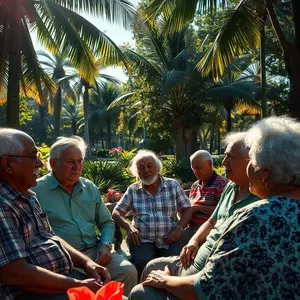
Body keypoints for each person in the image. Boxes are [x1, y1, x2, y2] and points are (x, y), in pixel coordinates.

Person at [128, 131, 260, 299]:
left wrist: (167, 279)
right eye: (193, 168)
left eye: (230, 157)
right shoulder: (230, 187)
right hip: (191, 255)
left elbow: (214, 278)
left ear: (252, 161)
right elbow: (212, 222)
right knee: (150, 265)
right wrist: (194, 242)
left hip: (203, 272)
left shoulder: (258, 204)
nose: (224, 162)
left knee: (139, 292)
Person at [0, 129, 110, 300]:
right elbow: (16, 274)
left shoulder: (27, 195)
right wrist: (79, 285)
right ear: (7, 164)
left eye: (79, 161)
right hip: (28, 293)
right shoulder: (3, 205)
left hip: (63, 276)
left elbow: (51, 237)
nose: (39, 163)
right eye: (32, 156)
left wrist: (86, 262)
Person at [33, 136, 137, 296]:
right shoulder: (36, 191)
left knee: (127, 271)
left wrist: (105, 245)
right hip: (65, 259)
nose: (77, 167)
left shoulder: (89, 187)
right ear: (53, 164)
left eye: (79, 161)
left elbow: (106, 222)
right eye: (70, 162)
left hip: (95, 251)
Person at [112, 150, 192, 279]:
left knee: (173, 263)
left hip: (170, 238)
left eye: (150, 166)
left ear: (158, 168)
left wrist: (179, 228)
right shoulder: (133, 190)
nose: (146, 170)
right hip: (142, 240)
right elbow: (116, 212)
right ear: (137, 173)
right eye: (141, 168)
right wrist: (129, 228)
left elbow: (187, 209)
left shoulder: (173, 185)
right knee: (144, 263)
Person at [183, 150, 228, 241]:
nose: (195, 172)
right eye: (193, 168)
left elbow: (223, 212)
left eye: (198, 168)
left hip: (210, 232)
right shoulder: (195, 185)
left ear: (209, 164)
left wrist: (197, 208)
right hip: (191, 229)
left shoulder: (222, 184)